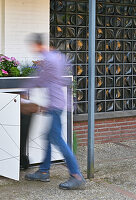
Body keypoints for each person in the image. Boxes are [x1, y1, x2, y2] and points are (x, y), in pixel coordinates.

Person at [24, 33, 85, 190]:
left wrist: (25, 90)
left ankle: (76, 175)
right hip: (55, 104)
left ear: (38, 45)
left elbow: (41, 79)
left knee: (57, 139)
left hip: (56, 105)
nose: (33, 49)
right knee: (48, 137)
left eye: (34, 46)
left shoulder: (50, 60)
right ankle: (44, 172)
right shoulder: (56, 57)